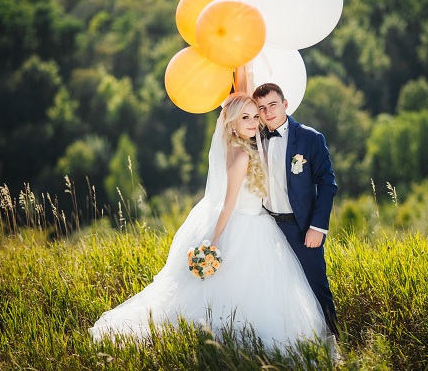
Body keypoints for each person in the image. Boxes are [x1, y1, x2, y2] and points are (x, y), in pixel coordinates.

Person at [89, 92, 328, 348]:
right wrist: (213, 241)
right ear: (231, 122)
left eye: (255, 116)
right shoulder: (241, 155)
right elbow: (228, 204)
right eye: (244, 117)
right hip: (245, 224)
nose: (252, 122)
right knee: (245, 288)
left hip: (258, 222)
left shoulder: (241, 146)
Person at [252, 83, 339, 338]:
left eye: (273, 105)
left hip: (301, 227)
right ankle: (287, 342)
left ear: (285, 104)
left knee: (316, 285)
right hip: (265, 226)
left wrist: (318, 226)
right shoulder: (253, 138)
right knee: (272, 288)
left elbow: (327, 183)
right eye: (262, 108)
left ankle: (335, 343)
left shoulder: (310, 138)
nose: (268, 113)